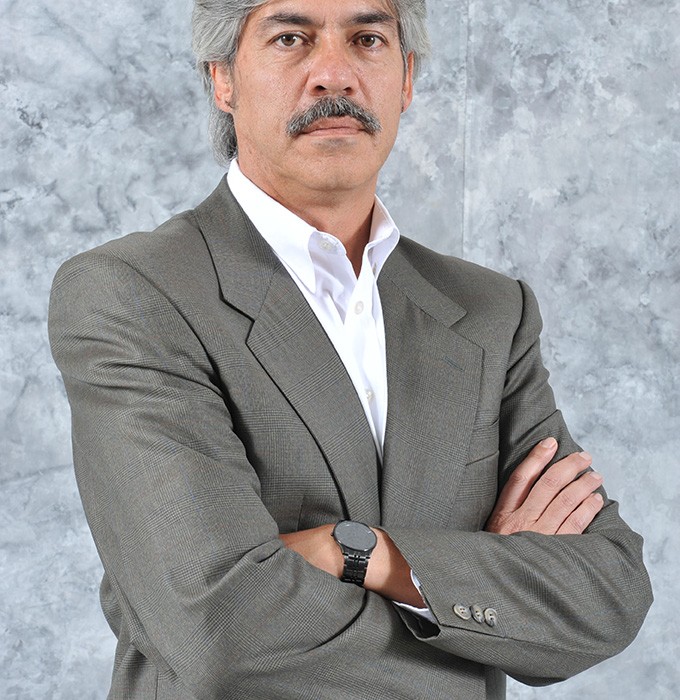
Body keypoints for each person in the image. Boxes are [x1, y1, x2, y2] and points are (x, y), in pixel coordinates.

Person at [48, 0, 652, 698]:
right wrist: (473, 596)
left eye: (366, 38)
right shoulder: (135, 293)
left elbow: (608, 594)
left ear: (406, 78)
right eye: (290, 38)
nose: (333, 72)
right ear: (223, 78)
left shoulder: (490, 313)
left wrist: (361, 554)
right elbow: (224, 630)